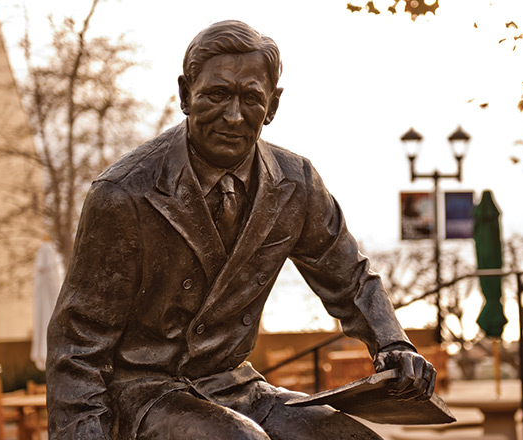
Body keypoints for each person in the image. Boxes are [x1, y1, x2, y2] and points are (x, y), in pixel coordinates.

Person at [46, 20, 436, 440]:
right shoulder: (124, 193)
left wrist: (393, 344)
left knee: (348, 437)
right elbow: (77, 348)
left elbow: (350, 278)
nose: (233, 116)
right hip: (140, 394)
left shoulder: (296, 182)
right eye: (217, 94)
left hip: (235, 387)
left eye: (251, 98)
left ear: (272, 106)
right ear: (184, 95)